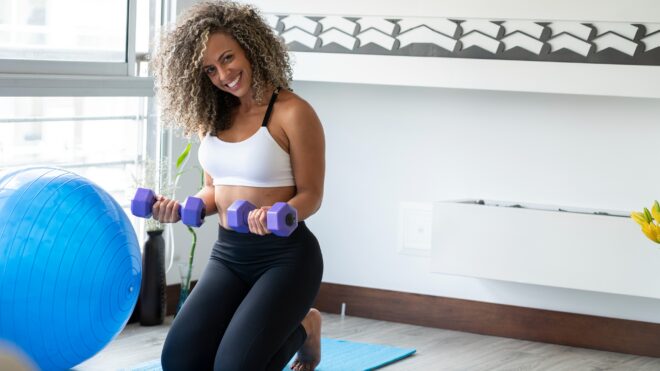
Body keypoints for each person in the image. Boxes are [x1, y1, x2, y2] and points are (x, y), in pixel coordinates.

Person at [150, 1, 325, 370]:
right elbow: (215, 189)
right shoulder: (213, 116)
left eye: (228, 58)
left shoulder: (292, 112)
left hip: (286, 259)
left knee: (234, 367)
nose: (223, 74)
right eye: (210, 69)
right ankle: (295, 327)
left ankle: (303, 328)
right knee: (178, 361)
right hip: (228, 256)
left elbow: (312, 194)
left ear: (251, 46)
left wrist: (283, 211)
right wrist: (182, 208)